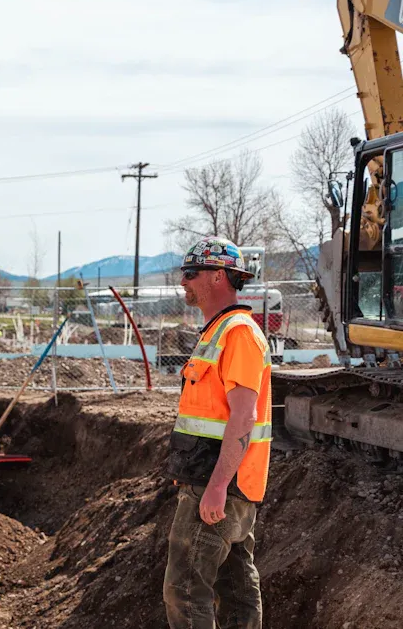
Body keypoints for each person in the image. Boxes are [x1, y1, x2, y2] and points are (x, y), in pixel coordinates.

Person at [163, 236, 273, 628]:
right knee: (237, 586)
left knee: (185, 589)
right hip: (222, 480)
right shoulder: (219, 330)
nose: (184, 282)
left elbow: (244, 416)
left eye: (191, 273)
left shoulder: (238, 333)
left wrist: (216, 485)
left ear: (217, 277)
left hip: (219, 483)